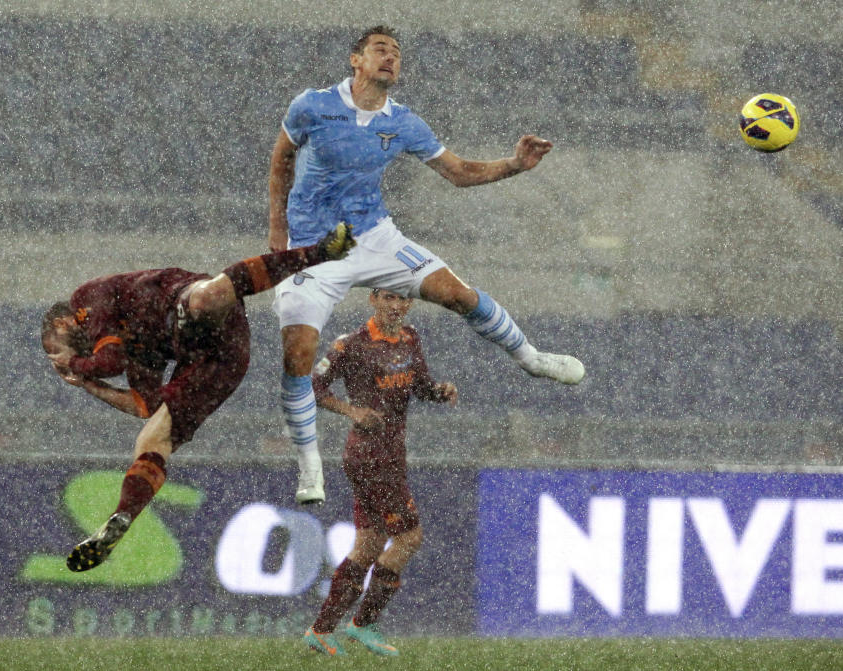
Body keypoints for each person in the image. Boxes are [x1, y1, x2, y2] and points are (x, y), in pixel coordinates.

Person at [268, 26, 585, 505]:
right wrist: (278, 237)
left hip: (374, 237)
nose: (390, 58)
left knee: (458, 294)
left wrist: (514, 165)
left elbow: (458, 173)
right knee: (297, 353)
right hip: (313, 247)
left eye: (396, 53)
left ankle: (531, 359)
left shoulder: (405, 123)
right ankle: (310, 462)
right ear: (356, 60)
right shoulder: (311, 105)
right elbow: (280, 162)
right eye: (380, 50)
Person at [41, 224, 355, 572]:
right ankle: (123, 517)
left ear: (61, 324)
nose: (55, 361)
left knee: (205, 298)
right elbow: (142, 405)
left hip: (181, 303)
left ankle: (320, 252)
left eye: (51, 350)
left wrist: (75, 364)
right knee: (152, 436)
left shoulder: (84, 300)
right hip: (220, 361)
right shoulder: (137, 351)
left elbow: (107, 360)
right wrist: (90, 386)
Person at [302, 288, 456, 657]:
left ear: (410, 304)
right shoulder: (352, 344)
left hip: (391, 455)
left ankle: (322, 630)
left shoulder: (409, 339)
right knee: (409, 538)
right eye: (389, 297)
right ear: (373, 299)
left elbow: (419, 386)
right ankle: (362, 623)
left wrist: (439, 391)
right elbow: (312, 385)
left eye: (403, 298)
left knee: (370, 544)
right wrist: (351, 410)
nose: (396, 305)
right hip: (369, 458)